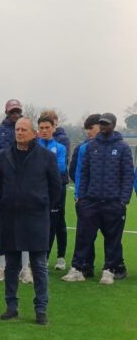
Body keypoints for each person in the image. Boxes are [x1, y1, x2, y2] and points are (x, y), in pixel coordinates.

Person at [0, 118, 61, 325]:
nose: (19, 133)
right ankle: (11, 307)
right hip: (10, 217)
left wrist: (41, 204)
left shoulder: (46, 157)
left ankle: (41, 309)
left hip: (36, 218)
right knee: (11, 265)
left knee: (39, 265)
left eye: (24, 130)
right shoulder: (3, 156)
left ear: (34, 133)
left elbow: (55, 187)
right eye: (17, 129)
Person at [67, 113, 133, 284]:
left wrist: (123, 200)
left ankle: (109, 270)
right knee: (83, 236)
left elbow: (127, 176)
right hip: (91, 201)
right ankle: (78, 269)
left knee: (112, 239)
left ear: (114, 125)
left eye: (107, 124)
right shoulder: (91, 147)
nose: (104, 127)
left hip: (113, 202)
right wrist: (82, 198)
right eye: (102, 124)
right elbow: (84, 174)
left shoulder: (123, 148)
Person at [0, 98, 23, 282]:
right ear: (6, 112)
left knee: (24, 226)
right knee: (0, 227)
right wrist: (14, 152)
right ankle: (2, 265)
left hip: (24, 185)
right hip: (1, 183)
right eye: (12, 111)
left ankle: (25, 268)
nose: (15, 114)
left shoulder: (27, 131)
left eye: (18, 111)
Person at [61, 114, 101, 280]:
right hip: (86, 198)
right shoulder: (82, 148)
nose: (88, 132)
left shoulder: (114, 147)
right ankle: (85, 266)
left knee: (112, 235)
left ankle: (114, 267)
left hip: (107, 198)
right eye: (87, 129)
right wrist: (80, 193)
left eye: (91, 128)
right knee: (85, 234)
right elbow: (73, 171)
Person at [36, 113, 68, 269]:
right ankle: (37, 257)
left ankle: (57, 257)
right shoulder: (34, 144)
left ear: (53, 128)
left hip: (55, 190)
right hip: (36, 190)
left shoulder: (60, 147)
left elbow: (61, 168)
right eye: (41, 128)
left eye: (47, 127)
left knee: (55, 223)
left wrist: (41, 167)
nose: (44, 130)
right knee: (36, 223)